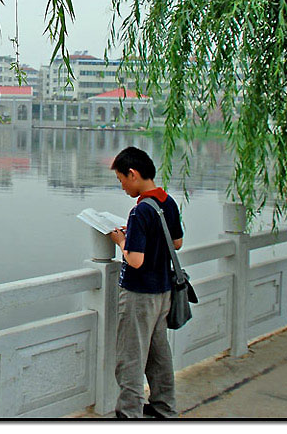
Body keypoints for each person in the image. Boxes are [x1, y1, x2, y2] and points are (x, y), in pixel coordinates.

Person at [108, 146, 183, 419]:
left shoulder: (140, 211)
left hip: (140, 293)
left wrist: (122, 242)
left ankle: (129, 414)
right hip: (164, 291)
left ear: (133, 174)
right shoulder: (167, 201)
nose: (123, 186)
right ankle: (165, 407)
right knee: (158, 352)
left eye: (121, 180)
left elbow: (135, 260)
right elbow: (177, 242)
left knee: (130, 356)